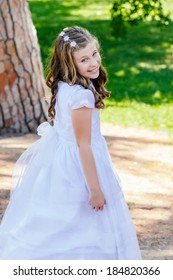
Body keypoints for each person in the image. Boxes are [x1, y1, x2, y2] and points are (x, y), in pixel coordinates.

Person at [0, 26, 142, 260]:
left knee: (55, 219)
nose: (94, 62)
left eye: (95, 54)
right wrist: (95, 190)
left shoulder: (64, 85)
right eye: (84, 59)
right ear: (70, 64)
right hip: (79, 166)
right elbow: (83, 145)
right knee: (87, 222)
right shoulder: (82, 96)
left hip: (59, 161)